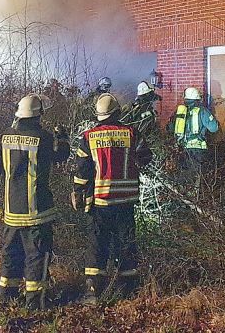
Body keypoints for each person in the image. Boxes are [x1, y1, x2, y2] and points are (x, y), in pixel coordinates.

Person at [72, 93, 151, 304]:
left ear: (98, 114)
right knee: (126, 242)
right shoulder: (132, 133)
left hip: (100, 202)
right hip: (126, 201)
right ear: (117, 112)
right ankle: (128, 290)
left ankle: (93, 292)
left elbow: (82, 172)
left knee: (98, 244)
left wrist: (77, 192)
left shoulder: (88, 137)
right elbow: (146, 157)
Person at [0, 94, 61, 309]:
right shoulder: (44, 138)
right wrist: (62, 138)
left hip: (12, 213)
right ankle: (34, 304)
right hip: (37, 213)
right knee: (36, 256)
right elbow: (61, 156)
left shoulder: (3, 137)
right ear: (39, 115)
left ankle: (5, 296)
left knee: (11, 255)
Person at [167, 87, 218, 191]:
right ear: (197, 98)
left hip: (182, 149)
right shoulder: (202, 111)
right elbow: (214, 128)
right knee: (197, 178)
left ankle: (182, 199)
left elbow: (169, 128)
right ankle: (195, 201)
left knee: (184, 176)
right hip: (198, 150)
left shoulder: (179, 111)